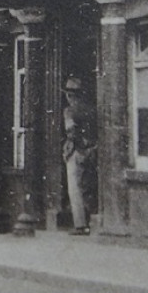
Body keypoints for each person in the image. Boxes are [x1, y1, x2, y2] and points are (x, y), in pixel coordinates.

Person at [62, 76, 98, 234]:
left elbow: (71, 133)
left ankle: (80, 225)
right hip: (92, 150)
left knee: (75, 188)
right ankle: (91, 220)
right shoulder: (91, 109)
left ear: (69, 95)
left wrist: (68, 150)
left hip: (77, 151)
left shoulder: (69, 111)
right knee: (87, 187)